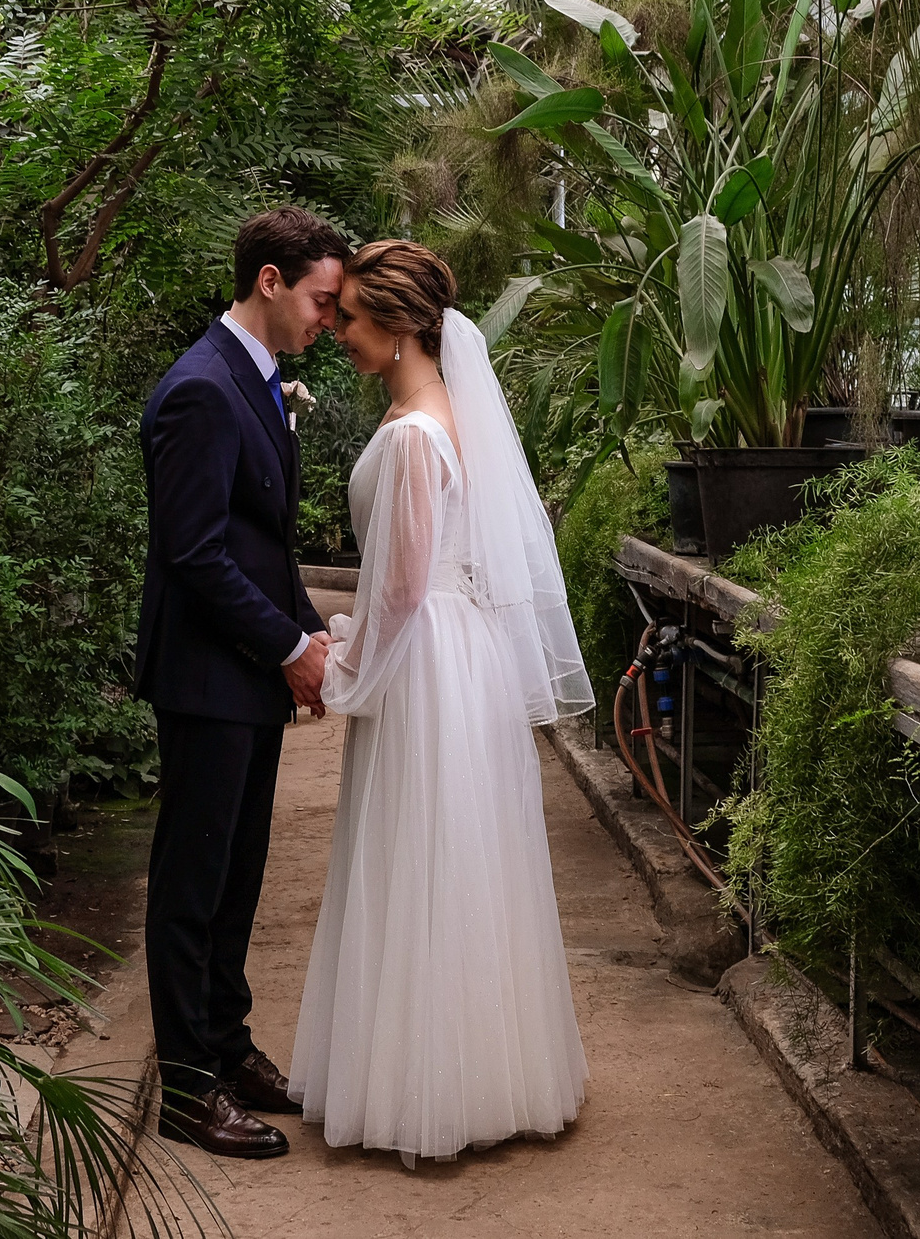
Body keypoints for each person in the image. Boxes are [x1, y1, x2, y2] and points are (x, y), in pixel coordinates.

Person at [290, 239, 591, 1165]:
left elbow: (401, 589)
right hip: (453, 657)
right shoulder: (436, 413)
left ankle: (434, 1091)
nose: (338, 330)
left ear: (403, 325)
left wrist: (345, 671)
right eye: (337, 315)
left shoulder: (419, 433)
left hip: (427, 660)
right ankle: (469, 1072)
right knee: (451, 853)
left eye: (351, 318)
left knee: (423, 852)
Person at [136, 207, 350, 1160]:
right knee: (194, 881)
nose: (328, 319)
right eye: (319, 299)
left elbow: (261, 542)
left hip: (247, 677)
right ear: (269, 281)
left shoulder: (257, 381)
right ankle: (186, 1087)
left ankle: (227, 1044)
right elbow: (194, 552)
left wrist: (305, 628)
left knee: (239, 876)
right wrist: (288, 648)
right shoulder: (200, 390)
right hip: (205, 678)